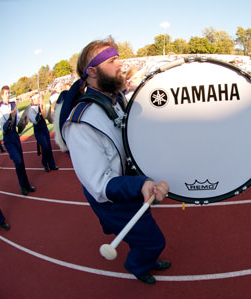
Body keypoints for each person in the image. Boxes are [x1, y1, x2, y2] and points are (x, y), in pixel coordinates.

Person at [60, 37, 170, 284]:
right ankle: (137, 265)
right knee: (154, 240)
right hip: (113, 198)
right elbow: (98, 183)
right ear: (92, 71)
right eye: (112, 60)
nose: (121, 64)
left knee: (143, 227)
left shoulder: (114, 100)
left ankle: (146, 257)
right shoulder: (81, 123)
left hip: (129, 186)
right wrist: (139, 185)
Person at [0, 85, 35, 195]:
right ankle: (22, 185)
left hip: (15, 136)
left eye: (9, 93)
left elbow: (18, 123)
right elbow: (3, 127)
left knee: (22, 162)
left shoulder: (14, 106)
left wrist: (24, 120)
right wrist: (10, 117)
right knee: (18, 161)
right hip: (8, 138)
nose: (8, 95)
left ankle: (27, 184)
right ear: (2, 95)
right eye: (6, 93)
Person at [28, 94, 58, 172]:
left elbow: (46, 116)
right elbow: (35, 121)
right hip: (38, 130)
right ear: (32, 100)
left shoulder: (41, 106)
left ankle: (52, 164)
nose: (38, 99)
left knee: (49, 146)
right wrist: (39, 112)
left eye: (39, 98)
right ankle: (44, 162)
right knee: (45, 147)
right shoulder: (30, 109)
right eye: (37, 98)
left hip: (44, 128)